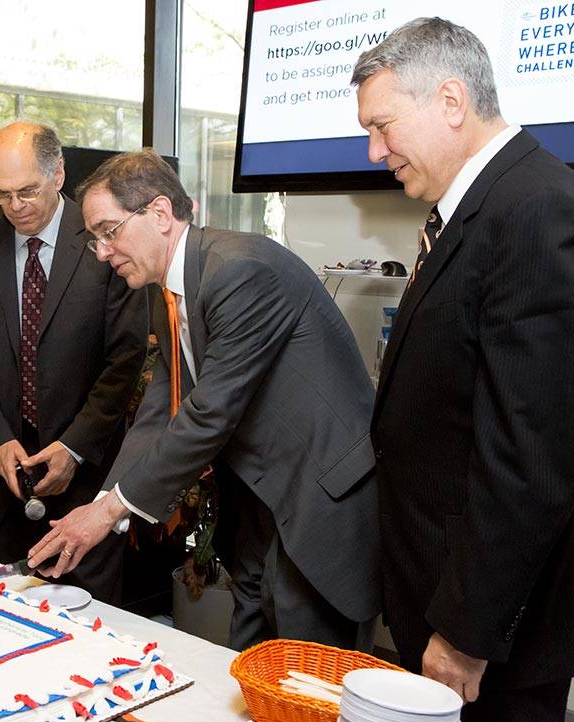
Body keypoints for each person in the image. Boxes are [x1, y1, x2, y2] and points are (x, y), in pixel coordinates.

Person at [351, 18, 574, 722]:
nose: (374, 151)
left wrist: (466, 632)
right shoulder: (477, 206)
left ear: (451, 100)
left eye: (382, 125)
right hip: (445, 598)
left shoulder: (538, 209)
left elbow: (535, 453)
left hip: (492, 633)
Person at [28, 149, 380, 650]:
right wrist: (103, 506)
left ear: (160, 214)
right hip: (259, 506)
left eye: (109, 231)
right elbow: (158, 414)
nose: (103, 252)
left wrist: (104, 514)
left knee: (309, 683)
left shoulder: (239, 271)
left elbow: (208, 414)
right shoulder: (168, 293)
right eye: (96, 240)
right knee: (250, 664)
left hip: (317, 501)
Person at [0, 122, 147, 604]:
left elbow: (124, 360)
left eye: (28, 191)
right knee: (8, 618)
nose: (16, 207)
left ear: (58, 174)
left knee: (93, 628)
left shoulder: (107, 241)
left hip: (87, 486)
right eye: (4, 195)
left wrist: (73, 446)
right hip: (7, 488)